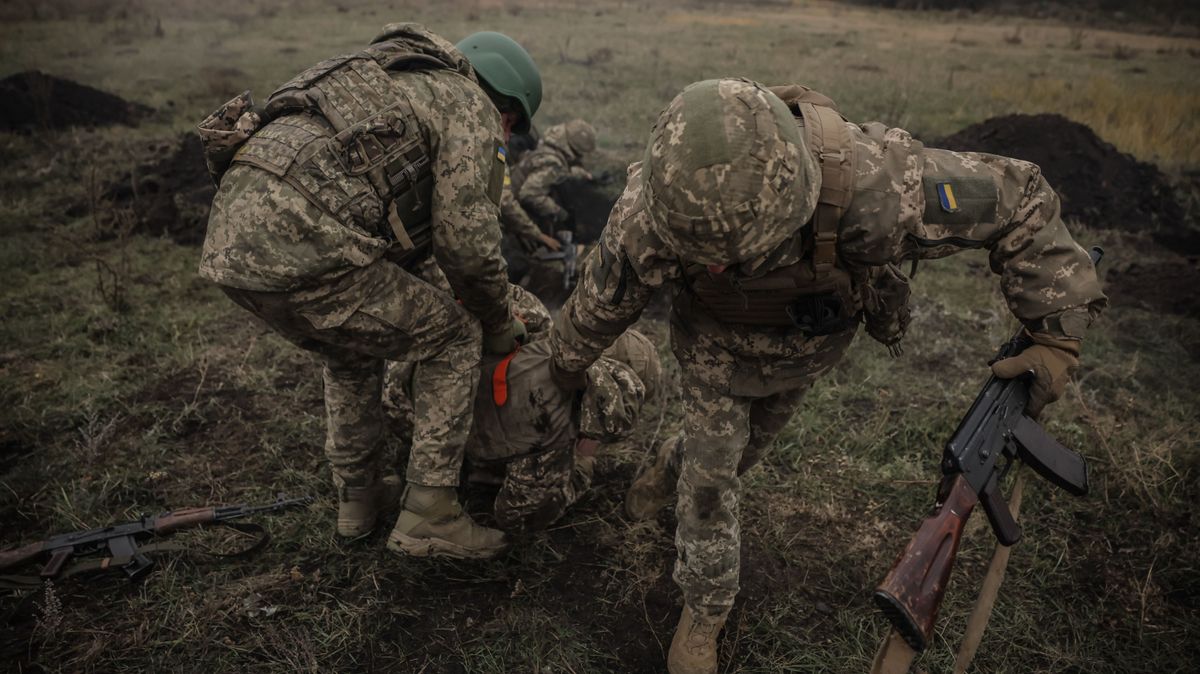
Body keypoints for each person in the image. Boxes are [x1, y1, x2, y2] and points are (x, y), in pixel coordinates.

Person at [546, 79, 1107, 673]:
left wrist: (1054, 335)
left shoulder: (877, 184)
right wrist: (560, 367)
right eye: (701, 252)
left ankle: (671, 464)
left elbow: (1020, 197)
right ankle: (704, 611)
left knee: (741, 456)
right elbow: (598, 303)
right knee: (712, 489)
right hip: (711, 353)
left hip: (807, 350)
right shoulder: (648, 210)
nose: (713, 264)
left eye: (735, 252)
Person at [196, 23, 542, 560]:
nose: (504, 133)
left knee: (353, 346)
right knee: (454, 337)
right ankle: (430, 512)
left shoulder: (382, 75)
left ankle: (357, 498)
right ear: (507, 107)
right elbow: (466, 247)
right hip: (309, 243)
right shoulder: (468, 104)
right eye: (511, 125)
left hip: (230, 241)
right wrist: (498, 321)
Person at [385, 288, 661, 533]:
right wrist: (583, 461)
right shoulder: (552, 429)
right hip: (418, 435)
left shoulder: (533, 312)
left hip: (393, 373)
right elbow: (518, 516)